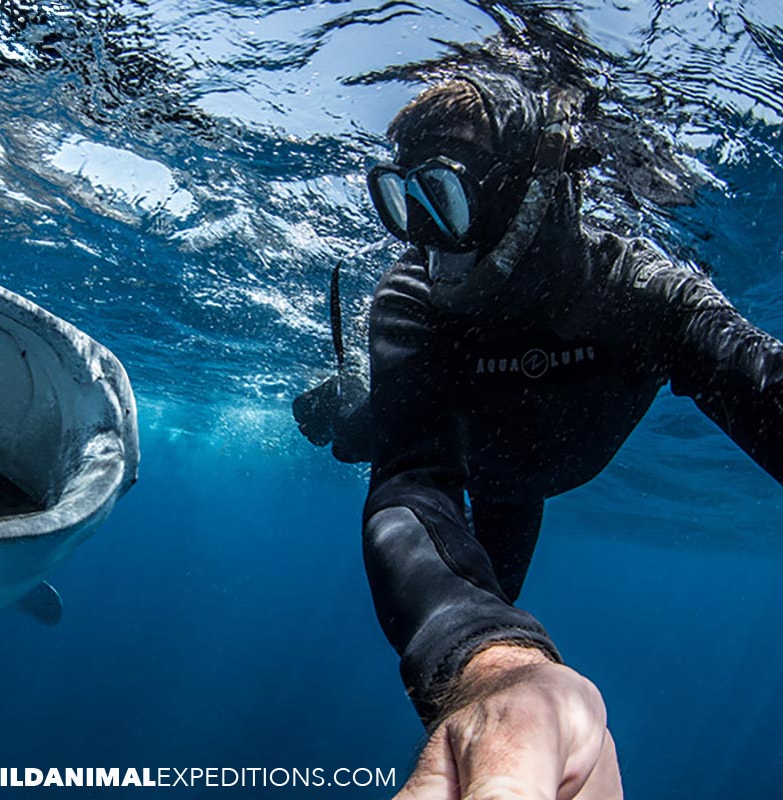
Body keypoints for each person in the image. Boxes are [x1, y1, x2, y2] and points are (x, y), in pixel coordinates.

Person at [294, 73, 783, 799]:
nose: (427, 242)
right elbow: (412, 481)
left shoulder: (642, 291)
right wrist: (495, 667)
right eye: (403, 201)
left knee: (489, 607)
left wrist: (492, 662)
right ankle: (342, 402)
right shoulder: (412, 299)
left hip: (517, 480)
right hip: (472, 452)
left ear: (537, 183)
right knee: (354, 433)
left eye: (445, 196)